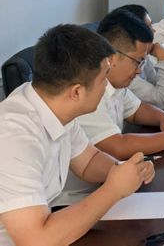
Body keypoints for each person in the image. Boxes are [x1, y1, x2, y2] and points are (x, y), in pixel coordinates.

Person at [0, 25, 154, 245]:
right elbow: (37, 240)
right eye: (104, 78)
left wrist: (124, 171)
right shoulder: (14, 137)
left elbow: (88, 161)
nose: (106, 86)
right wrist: (113, 190)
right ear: (77, 92)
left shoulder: (54, 105)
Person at [77, 9, 164, 160]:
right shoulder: (87, 91)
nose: (139, 71)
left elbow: (136, 110)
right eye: (137, 61)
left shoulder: (116, 84)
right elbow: (116, 146)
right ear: (111, 58)